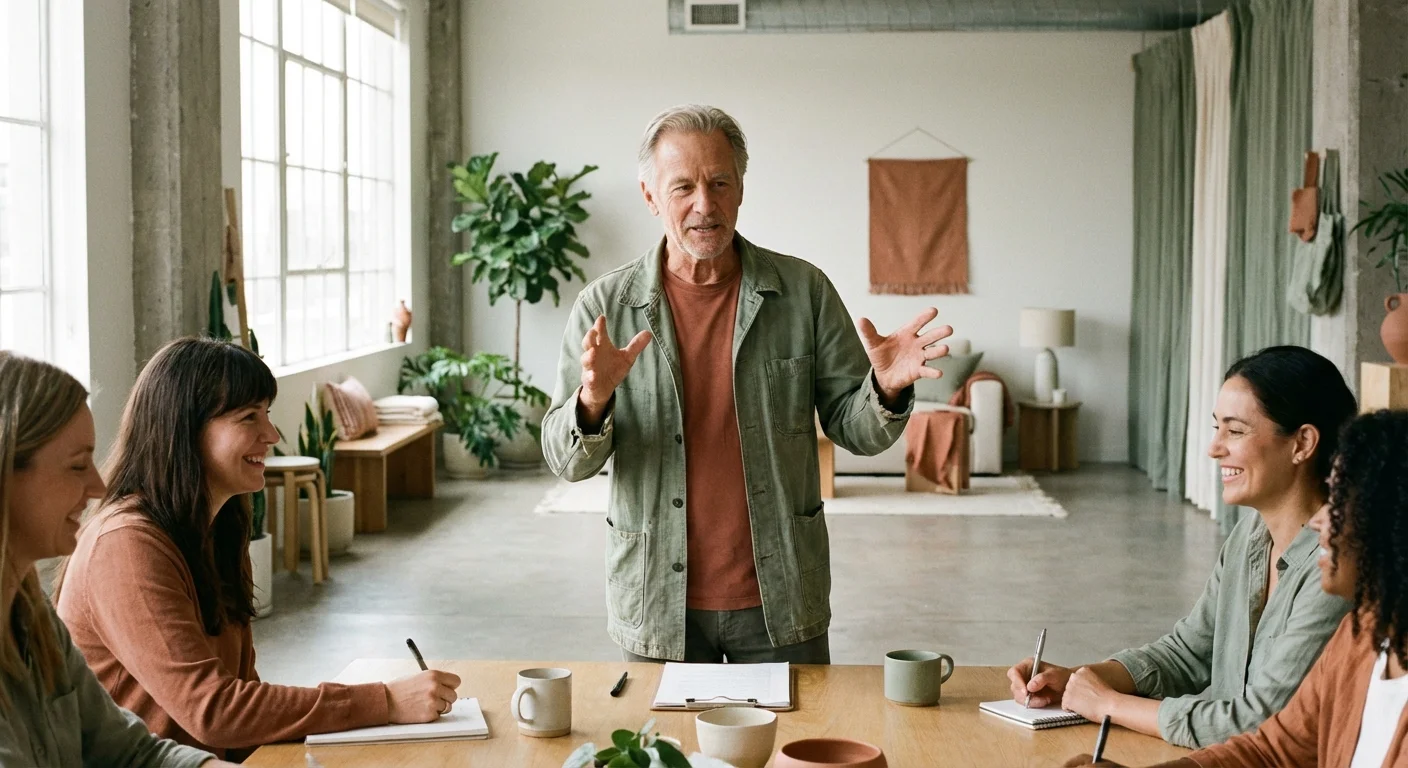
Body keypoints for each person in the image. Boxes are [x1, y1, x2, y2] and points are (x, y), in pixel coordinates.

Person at [541, 104, 952, 664]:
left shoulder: (802, 291)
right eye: (682, 186)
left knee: (793, 751)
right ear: (650, 196)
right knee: (669, 755)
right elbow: (568, 463)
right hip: (658, 598)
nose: (704, 205)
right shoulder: (605, 307)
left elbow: (858, 431)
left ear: (740, 188)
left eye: (719, 183)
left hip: (782, 594)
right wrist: (593, 402)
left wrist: (885, 390)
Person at [55, 338, 460, 760]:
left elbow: (243, 700)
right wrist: (385, 703)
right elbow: (213, 709)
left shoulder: (219, 528)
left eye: (266, 413)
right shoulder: (125, 544)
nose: (271, 434)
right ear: (184, 429)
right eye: (249, 417)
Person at [1009, 346, 1355, 748]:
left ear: (1302, 443)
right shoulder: (1248, 537)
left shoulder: (1337, 564)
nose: (1214, 448)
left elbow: (1260, 722)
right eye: (1216, 428)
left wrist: (1108, 704)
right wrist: (1082, 679)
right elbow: (1189, 652)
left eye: (1235, 430)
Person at [1065, 409, 1408, 767]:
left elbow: (1256, 726)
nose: (1321, 520)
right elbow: (1270, 749)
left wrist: (1110, 703)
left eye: (1338, 502)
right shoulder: (1359, 638)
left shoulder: (1348, 618)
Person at [0, 351, 232, 767]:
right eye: (76, 466)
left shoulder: (34, 619)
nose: (96, 485)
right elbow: (212, 709)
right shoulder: (125, 541)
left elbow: (130, 750)